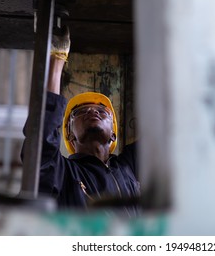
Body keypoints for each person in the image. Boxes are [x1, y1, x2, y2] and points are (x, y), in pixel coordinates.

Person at [21, 27, 140, 217]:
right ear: (69, 135)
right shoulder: (64, 173)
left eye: (102, 111)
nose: (93, 111)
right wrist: (57, 58)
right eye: (81, 112)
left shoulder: (129, 168)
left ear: (113, 133)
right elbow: (40, 144)